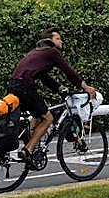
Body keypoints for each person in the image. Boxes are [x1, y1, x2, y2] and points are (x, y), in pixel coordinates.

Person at [6, 27, 98, 159]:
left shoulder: (37, 52)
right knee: (48, 118)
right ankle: (28, 150)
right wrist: (85, 86)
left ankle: (32, 149)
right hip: (25, 87)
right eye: (58, 38)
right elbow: (68, 71)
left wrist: (59, 88)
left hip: (13, 86)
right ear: (50, 40)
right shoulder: (52, 52)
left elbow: (44, 77)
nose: (61, 41)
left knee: (37, 115)